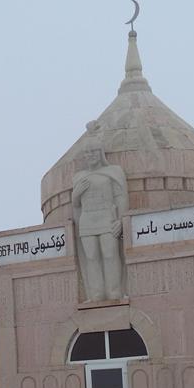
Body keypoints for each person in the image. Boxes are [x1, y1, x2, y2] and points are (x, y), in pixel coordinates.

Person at [71, 121, 128, 302]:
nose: (91, 155)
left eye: (94, 151)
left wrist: (121, 220)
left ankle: (114, 292)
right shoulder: (79, 177)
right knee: (91, 257)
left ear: (100, 153)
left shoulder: (113, 171)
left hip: (107, 218)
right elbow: (75, 204)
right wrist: (76, 194)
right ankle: (96, 294)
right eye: (87, 152)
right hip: (88, 220)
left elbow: (120, 196)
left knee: (110, 253)